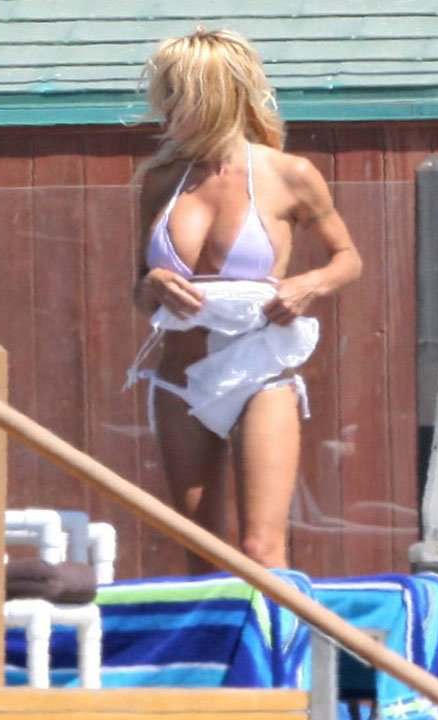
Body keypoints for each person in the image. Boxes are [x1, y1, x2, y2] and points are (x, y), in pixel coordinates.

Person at [131, 28, 362, 574]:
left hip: (259, 374)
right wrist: (153, 283)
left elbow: (347, 257)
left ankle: (279, 632)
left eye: (177, 95)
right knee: (203, 555)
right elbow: (138, 288)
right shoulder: (162, 180)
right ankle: (220, 634)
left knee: (261, 549)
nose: (164, 109)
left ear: (215, 96)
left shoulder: (288, 174)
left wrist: (309, 285)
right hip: (179, 379)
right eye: (164, 94)